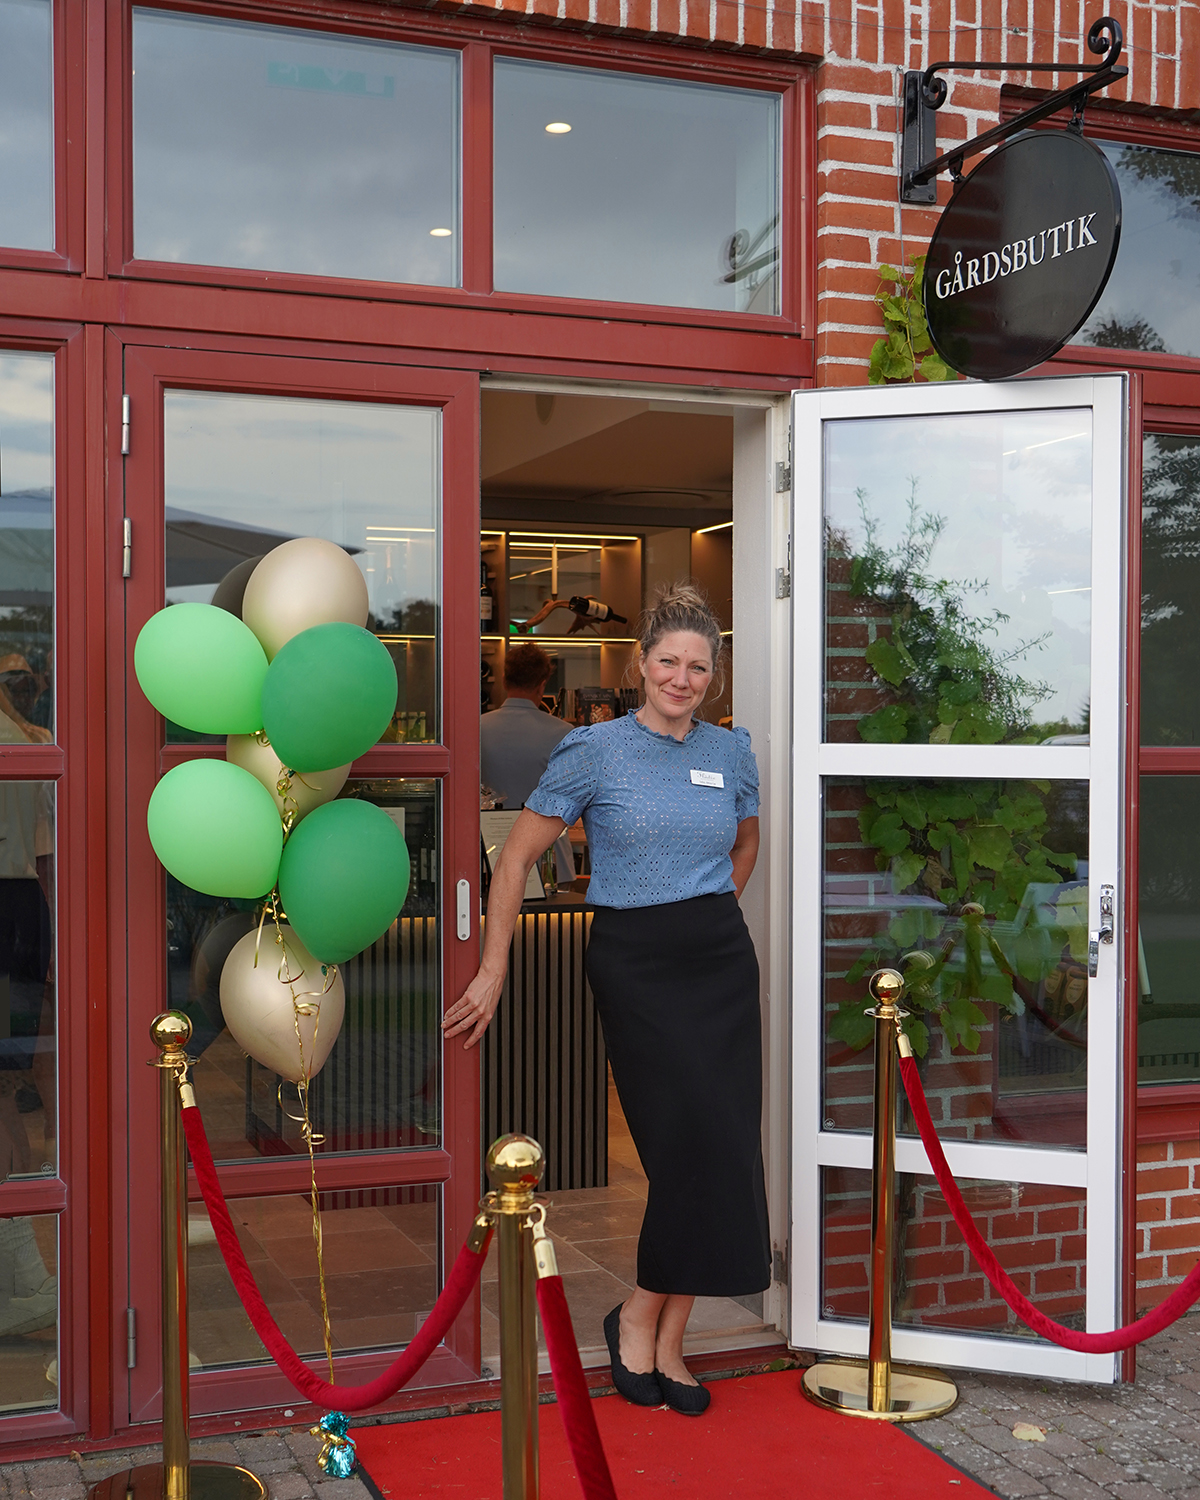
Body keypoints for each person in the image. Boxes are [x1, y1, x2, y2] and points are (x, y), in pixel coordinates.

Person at [446, 583, 768, 1416]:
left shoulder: (731, 751)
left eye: (698, 667)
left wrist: (712, 909)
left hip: (719, 960)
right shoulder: (593, 750)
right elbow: (514, 859)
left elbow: (746, 841)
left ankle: (665, 1334)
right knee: (678, 1149)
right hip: (636, 963)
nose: (682, 678)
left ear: (714, 675)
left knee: (725, 1146)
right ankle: (635, 1320)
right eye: (669, 662)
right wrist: (492, 968)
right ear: (640, 663)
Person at [480, 641, 574, 885]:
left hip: (489, 854)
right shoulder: (564, 733)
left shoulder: (476, 728)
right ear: (542, 685)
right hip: (548, 862)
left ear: (504, 681)